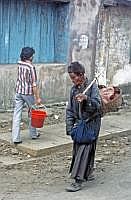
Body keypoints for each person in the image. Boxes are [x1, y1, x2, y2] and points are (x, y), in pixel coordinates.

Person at [66, 61, 102, 192]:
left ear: (81, 75)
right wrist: (70, 128)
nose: (73, 81)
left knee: (85, 149)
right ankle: (89, 172)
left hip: (91, 123)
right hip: (79, 124)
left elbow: (98, 105)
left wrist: (86, 98)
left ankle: (78, 180)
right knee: (79, 148)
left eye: (74, 77)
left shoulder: (92, 87)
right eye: (71, 78)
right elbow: (70, 109)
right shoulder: (73, 90)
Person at [12, 47, 42, 144]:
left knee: (17, 114)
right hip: (28, 93)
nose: (33, 56)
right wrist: (37, 98)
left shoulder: (19, 63)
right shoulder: (31, 67)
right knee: (32, 112)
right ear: (30, 56)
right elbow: (34, 84)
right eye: (32, 55)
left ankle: (15, 138)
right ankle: (33, 134)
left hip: (18, 91)